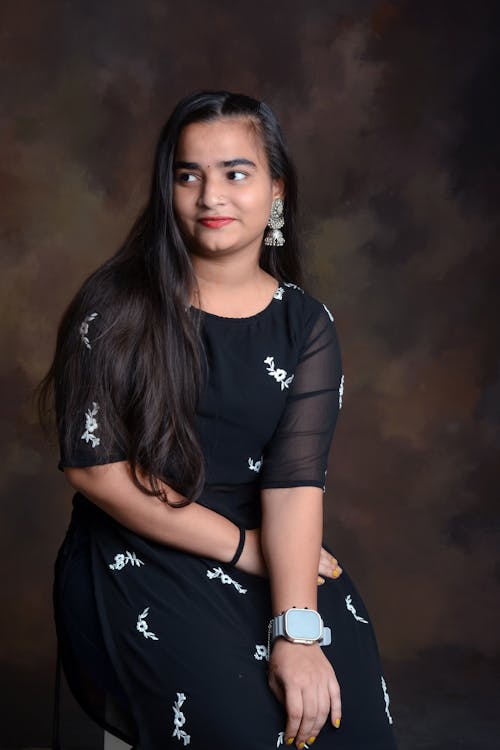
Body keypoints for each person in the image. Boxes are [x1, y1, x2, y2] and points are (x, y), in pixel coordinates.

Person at [38, 90, 398, 750]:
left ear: (276, 190)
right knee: (243, 729)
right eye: (188, 175)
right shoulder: (116, 307)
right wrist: (244, 550)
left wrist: (296, 631)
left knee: (346, 723)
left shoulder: (306, 325)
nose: (211, 197)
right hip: (136, 548)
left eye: (235, 173)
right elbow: (97, 474)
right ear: (167, 187)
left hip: (273, 552)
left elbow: (293, 486)